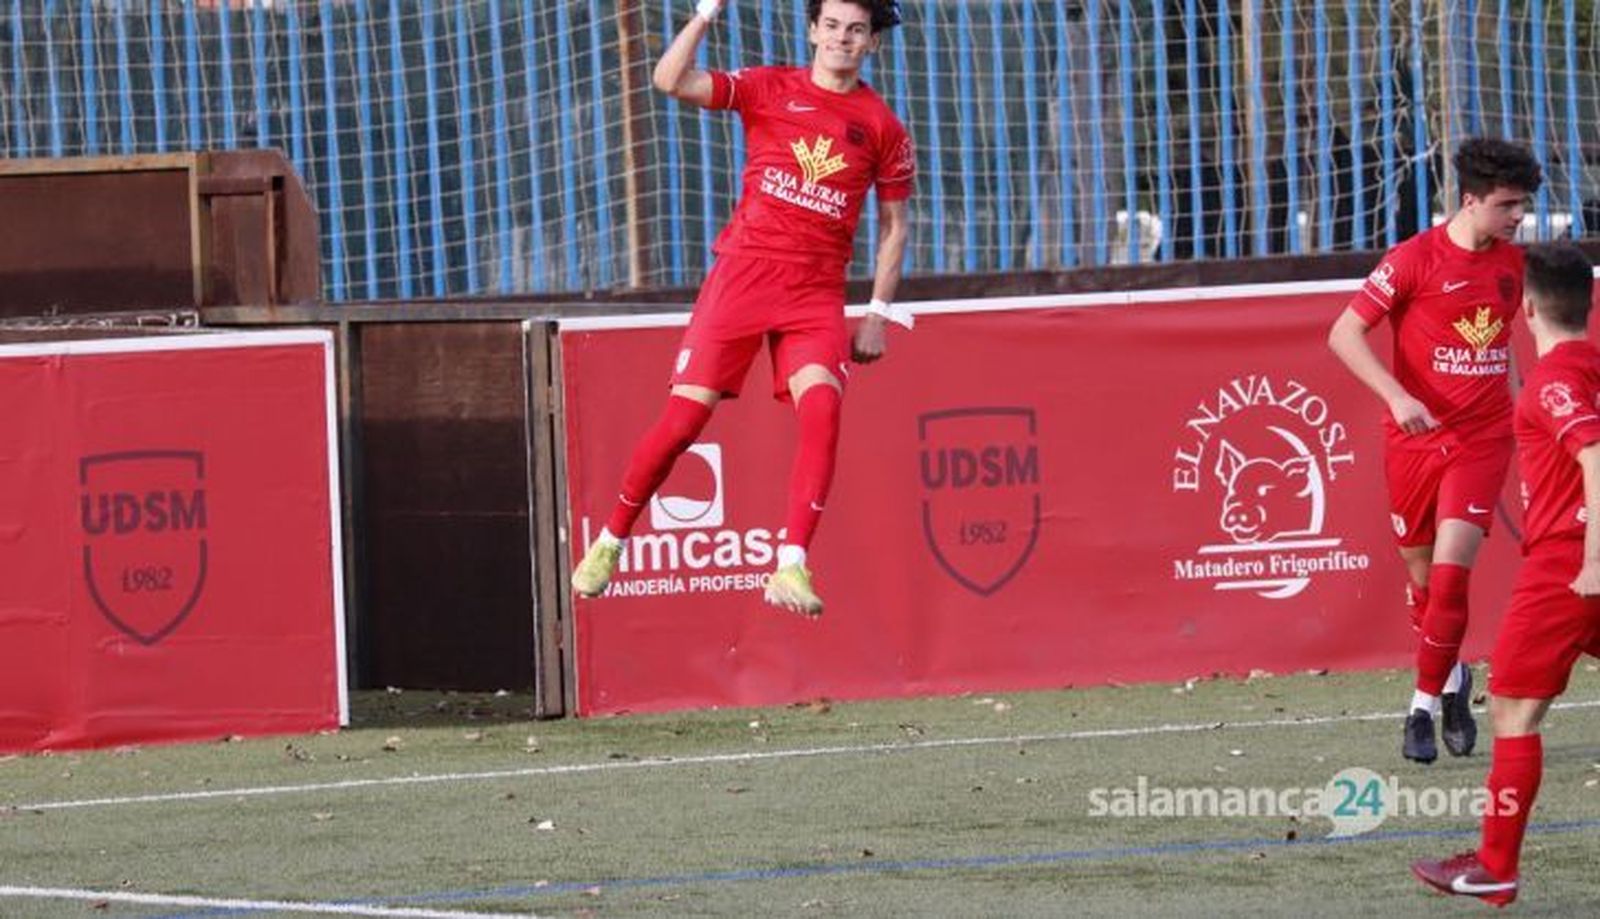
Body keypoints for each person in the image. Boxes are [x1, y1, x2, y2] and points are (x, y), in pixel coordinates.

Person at [569, 0, 915, 616]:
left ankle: (790, 565)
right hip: (743, 277)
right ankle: (610, 539)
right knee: (681, 425)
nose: (841, 38)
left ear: (872, 44)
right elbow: (669, 80)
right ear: (813, 31)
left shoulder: (882, 125)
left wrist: (877, 314)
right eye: (831, 26)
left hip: (815, 293)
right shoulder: (767, 88)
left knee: (823, 409)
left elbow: (894, 226)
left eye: (856, 30)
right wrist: (703, 17)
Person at [1327, 137, 1544, 763]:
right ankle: (1452, 680)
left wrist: (1530, 418)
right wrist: (1396, 398)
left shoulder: (1515, 265)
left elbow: (1509, 351)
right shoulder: (1413, 259)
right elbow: (1343, 333)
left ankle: (1420, 710)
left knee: (1450, 575)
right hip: (1415, 441)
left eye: (1524, 205)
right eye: (1507, 205)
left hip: (1481, 441)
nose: (1516, 217)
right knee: (1424, 583)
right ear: (1470, 200)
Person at [1411, 243, 1599, 906]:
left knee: (1514, 712)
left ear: (1523, 307)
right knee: (1527, 705)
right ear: (1590, 304)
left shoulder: (1552, 382)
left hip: (1565, 566)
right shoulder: (1593, 366)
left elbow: (1594, 455)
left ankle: (1495, 864)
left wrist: (1593, 559)